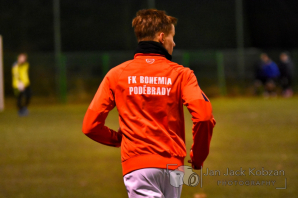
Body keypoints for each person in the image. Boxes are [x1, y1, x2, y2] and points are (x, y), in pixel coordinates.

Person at [82, 9, 215, 198]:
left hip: (137, 165)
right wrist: (198, 158)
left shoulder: (116, 74)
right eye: (172, 36)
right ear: (162, 37)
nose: (174, 42)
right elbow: (204, 117)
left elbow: (90, 126)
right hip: (173, 167)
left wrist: (119, 139)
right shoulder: (182, 74)